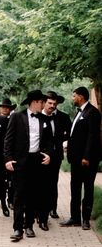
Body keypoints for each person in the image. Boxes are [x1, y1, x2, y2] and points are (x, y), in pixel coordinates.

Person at [4, 90, 53, 241]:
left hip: (36, 161)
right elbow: (8, 140)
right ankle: (17, 228)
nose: (44, 105)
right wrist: (8, 159)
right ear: (35, 102)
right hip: (20, 162)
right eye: (42, 102)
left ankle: (29, 226)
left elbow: (49, 141)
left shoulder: (44, 119)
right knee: (19, 195)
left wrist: (49, 154)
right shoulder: (17, 117)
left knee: (33, 195)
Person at [60, 86, 102, 230]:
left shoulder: (93, 112)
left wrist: (86, 156)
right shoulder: (79, 112)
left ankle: (85, 219)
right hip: (76, 159)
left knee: (88, 188)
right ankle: (75, 218)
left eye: (74, 96)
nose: (73, 98)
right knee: (75, 188)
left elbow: (93, 137)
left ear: (81, 97)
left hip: (87, 160)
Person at [42, 91, 71, 219]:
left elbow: (70, 133)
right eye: (50, 103)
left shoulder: (63, 117)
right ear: (44, 103)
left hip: (56, 155)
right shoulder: (37, 116)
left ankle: (53, 209)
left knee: (53, 183)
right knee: (40, 183)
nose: (52, 105)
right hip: (40, 155)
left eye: (54, 103)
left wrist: (60, 140)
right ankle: (40, 210)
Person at [0, 98, 17, 210]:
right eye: (3, 107)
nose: (5, 109)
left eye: (7, 107)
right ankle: (2, 201)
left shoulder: (14, 119)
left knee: (12, 180)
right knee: (1, 180)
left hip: (11, 154)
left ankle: (11, 200)